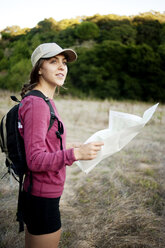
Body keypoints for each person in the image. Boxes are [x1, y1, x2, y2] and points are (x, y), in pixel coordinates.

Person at [18, 42, 104, 248]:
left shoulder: (45, 101)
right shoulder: (37, 104)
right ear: (39, 68)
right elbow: (35, 160)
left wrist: (71, 146)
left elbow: (44, 143)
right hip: (41, 195)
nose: (61, 67)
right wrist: (74, 154)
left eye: (64, 62)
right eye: (53, 61)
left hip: (41, 193)